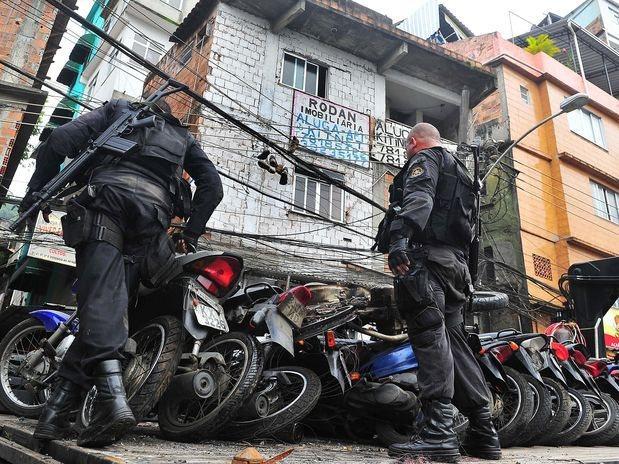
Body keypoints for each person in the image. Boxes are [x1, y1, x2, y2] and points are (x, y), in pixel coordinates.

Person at [19, 96, 223, 447]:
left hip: (106, 204)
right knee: (105, 307)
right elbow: (213, 188)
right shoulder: (184, 138)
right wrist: (190, 233)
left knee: (100, 304)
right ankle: (52, 418)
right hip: (151, 222)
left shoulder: (118, 111)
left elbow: (59, 140)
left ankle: (112, 402)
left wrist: (35, 191)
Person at [385, 123, 501, 462]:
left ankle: (438, 433)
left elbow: (420, 197)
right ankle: (483, 431)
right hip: (456, 268)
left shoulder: (426, 160)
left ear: (413, 142)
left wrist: (400, 240)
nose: (407, 152)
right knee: (455, 344)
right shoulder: (462, 171)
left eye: (408, 148)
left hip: (427, 261)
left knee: (429, 338)